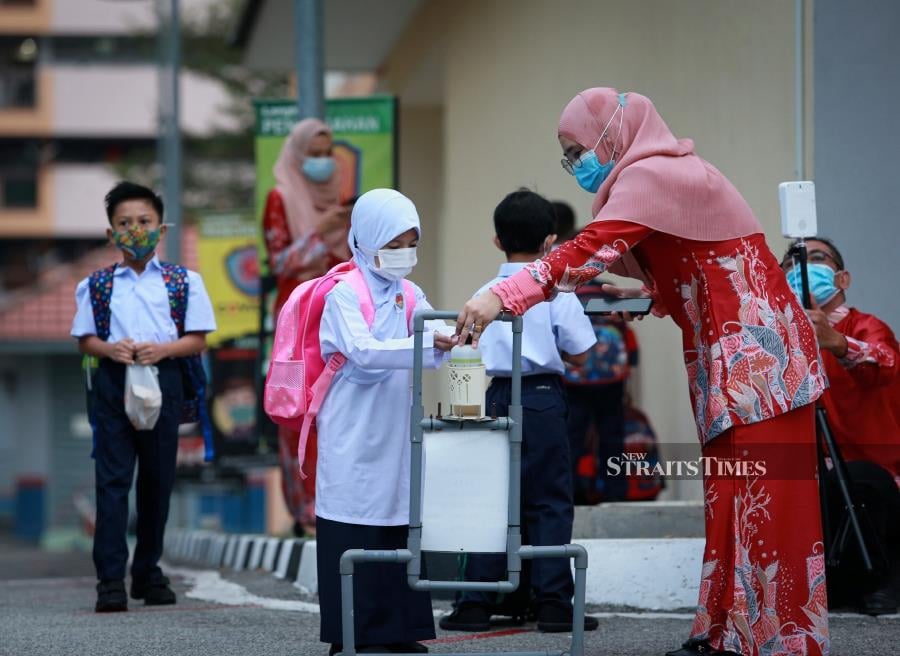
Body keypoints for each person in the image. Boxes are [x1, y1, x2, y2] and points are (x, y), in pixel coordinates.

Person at [455, 88, 830, 656]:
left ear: (612, 134)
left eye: (576, 148)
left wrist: (504, 296)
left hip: (760, 357)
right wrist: (646, 290)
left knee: (766, 497)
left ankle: (780, 641)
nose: (574, 162)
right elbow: (697, 262)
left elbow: (592, 246)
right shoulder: (656, 176)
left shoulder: (655, 174)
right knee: (733, 497)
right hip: (731, 356)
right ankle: (727, 633)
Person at [439, 190, 598, 633]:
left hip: (492, 397)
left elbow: (467, 346)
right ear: (551, 242)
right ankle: (553, 604)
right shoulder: (554, 291)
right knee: (548, 501)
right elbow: (583, 353)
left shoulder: (483, 294)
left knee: (490, 500)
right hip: (543, 398)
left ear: (496, 241)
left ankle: (474, 603)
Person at [315, 189, 453, 654]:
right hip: (353, 431)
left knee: (398, 519)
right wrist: (431, 344)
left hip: (396, 428)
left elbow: (433, 337)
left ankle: (398, 630)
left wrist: (450, 337)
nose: (404, 254)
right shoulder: (343, 294)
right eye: (394, 243)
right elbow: (363, 352)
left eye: (411, 242)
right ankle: (351, 634)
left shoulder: (410, 293)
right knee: (352, 521)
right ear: (367, 238)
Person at [71, 181, 216, 612]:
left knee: (156, 483)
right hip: (115, 384)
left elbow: (198, 340)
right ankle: (110, 581)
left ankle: (147, 572)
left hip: (163, 380)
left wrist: (164, 349)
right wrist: (108, 348)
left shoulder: (183, 282)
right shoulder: (94, 286)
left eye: (144, 222)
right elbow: (85, 341)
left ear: (162, 227)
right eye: (125, 223)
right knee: (112, 483)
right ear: (110, 233)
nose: (135, 230)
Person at [782, 237, 900, 616]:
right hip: (813, 469)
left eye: (818, 259)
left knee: (859, 478)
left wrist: (838, 344)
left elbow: (885, 363)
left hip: (878, 470)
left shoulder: (867, 326)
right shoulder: (778, 336)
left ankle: (887, 581)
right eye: (792, 262)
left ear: (842, 278)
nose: (802, 268)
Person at [263, 118, 352, 537]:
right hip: (296, 321)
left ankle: (338, 505)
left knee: (337, 410)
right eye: (312, 155)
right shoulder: (280, 198)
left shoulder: (337, 199)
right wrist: (320, 233)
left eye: (326, 153)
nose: (321, 163)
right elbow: (279, 262)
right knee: (295, 411)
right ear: (297, 157)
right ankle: (305, 510)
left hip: (335, 315)